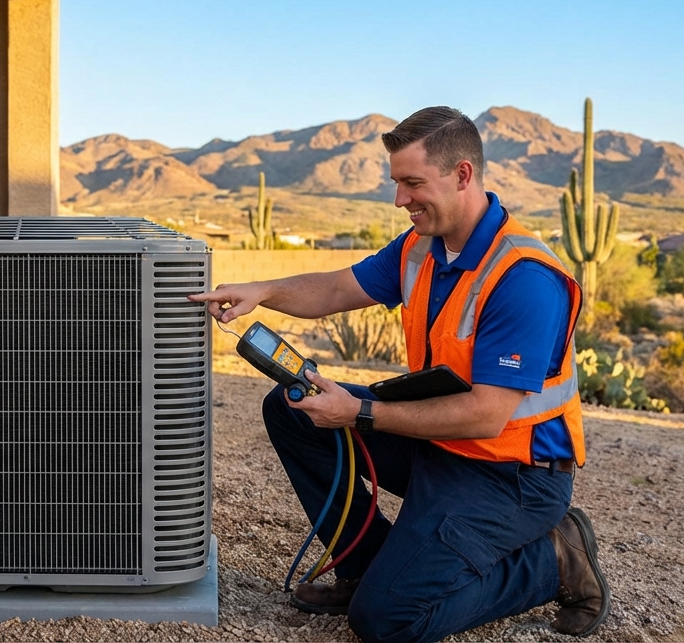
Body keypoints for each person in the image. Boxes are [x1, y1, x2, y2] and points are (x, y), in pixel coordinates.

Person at [189, 107, 610, 641]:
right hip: (442, 447)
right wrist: (262, 292)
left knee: (386, 620)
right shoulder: (422, 246)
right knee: (292, 406)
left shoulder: (524, 278)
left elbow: (485, 415)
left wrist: (361, 413)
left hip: (512, 478)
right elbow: (340, 287)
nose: (399, 200)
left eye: (413, 184)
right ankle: (363, 565)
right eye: (397, 183)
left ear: (463, 175)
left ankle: (554, 559)